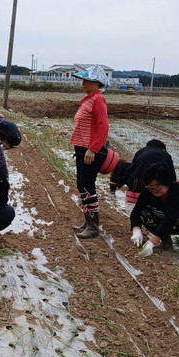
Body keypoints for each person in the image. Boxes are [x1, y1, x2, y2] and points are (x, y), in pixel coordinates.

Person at [70, 65, 110, 239]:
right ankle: (88, 221)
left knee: (87, 186)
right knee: (81, 185)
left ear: (97, 83)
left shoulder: (98, 100)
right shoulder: (88, 99)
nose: (83, 83)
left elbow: (103, 127)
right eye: (83, 80)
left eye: (87, 80)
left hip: (90, 150)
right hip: (81, 148)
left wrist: (93, 149)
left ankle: (94, 227)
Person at [110, 139, 175, 199]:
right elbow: (173, 177)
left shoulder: (141, 151)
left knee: (119, 162)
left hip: (135, 183)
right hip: (154, 188)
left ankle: (112, 190)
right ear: (163, 149)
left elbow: (133, 169)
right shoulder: (166, 155)